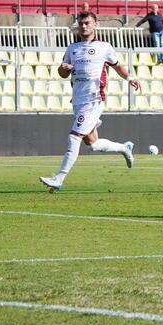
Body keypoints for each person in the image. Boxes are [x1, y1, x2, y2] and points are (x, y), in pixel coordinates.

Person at [39, 11, 140, 191]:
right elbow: (62, 74)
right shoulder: (72, 48)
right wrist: (64, 68)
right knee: (92, 143)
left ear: (95, 25)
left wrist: (130, 78)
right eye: (81, 23)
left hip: (94, 99)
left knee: (74, 136)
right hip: (78, 100)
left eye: (87, 23)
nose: (84, 26)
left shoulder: (104, 47)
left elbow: (117, 66)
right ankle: (124, 148)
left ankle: (59, 178)